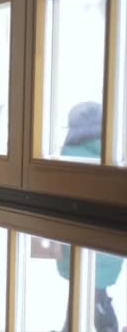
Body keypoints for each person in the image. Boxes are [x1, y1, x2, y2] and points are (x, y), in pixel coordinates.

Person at [55, 101, 124, 332]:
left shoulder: (66, 155)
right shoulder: (114, 153)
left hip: (72, 242)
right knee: (91, 296)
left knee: (84, 297)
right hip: (109, 243)